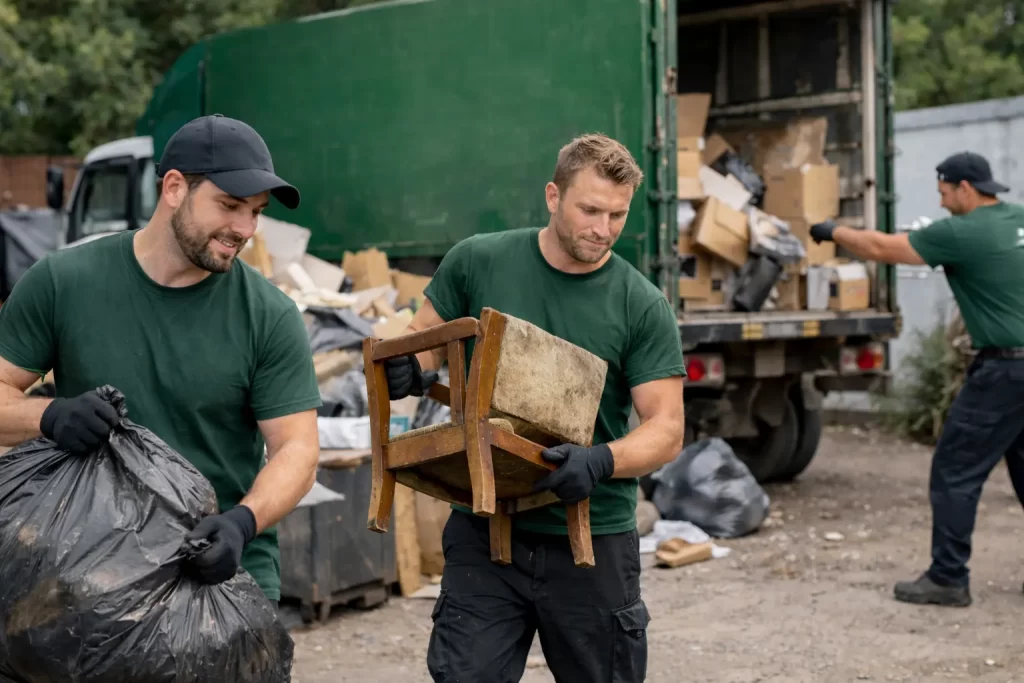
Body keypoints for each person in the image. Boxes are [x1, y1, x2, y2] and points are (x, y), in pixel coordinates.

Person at [385, 133, 686, 681]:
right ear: (553, 196)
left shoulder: (640, 303)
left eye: (617, 215)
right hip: (486, 530)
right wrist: (411, 367)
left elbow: (666, 428)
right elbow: (425, 338)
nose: (603, 229)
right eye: (589, 210)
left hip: (591, 540)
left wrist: (601, 461)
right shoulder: (478, 261)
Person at [0, 114, 322, 609]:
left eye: (256, 211)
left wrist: (243, 522)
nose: (245, 229)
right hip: (88, 573)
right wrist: (49, 416)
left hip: (221, 576)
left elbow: (297, 450)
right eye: (229, 205)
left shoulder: (268, 315)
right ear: (174, 188)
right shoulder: (63, 283)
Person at [809, 151, 1024, 608]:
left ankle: (948, 577)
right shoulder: (1018, 219)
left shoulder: (960, 232)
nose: (942, 202)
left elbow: (882, 249)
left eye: (944, 193)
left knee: (954, 471)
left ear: (965, 188)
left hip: (1005, 370)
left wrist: (831, 231)